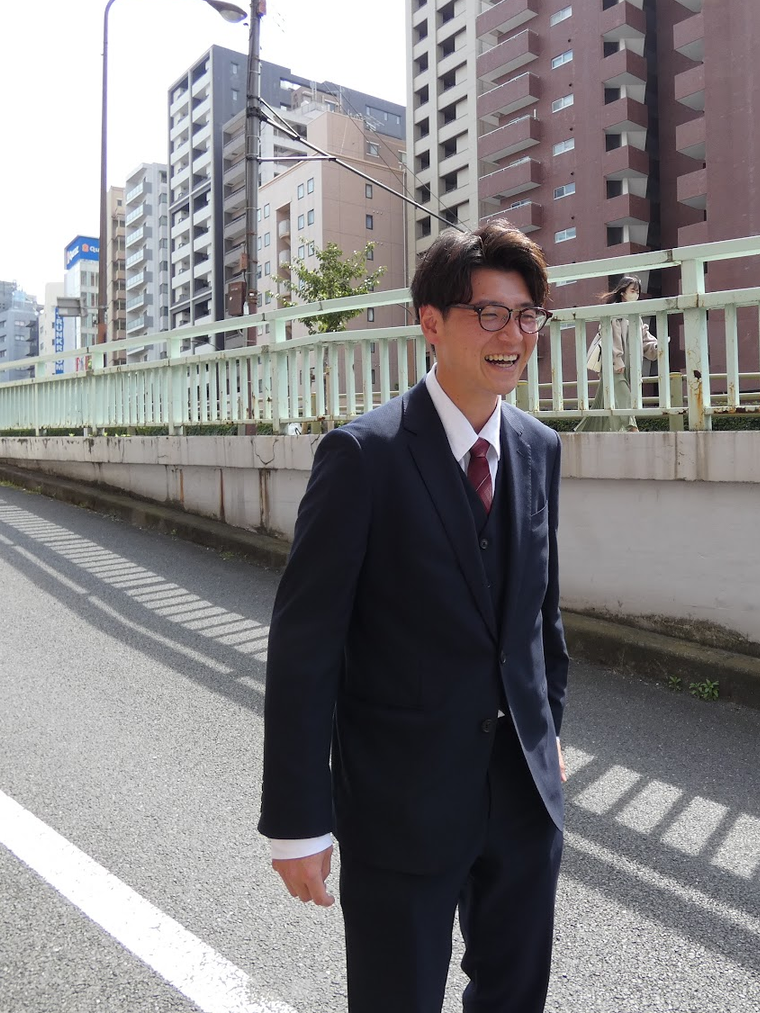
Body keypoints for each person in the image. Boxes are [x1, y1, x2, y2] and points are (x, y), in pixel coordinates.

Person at [260, 219, 570, 1013]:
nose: (513, 336)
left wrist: (548, 734)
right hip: (401, 805)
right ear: (431, 324)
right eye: (490, 314)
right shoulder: (364, 456)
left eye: (527, 315)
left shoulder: (538, 448)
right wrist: (299, 822)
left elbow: (541, 616)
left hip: (521, 802)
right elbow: (305, 647)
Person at [575, 275, 662, 432]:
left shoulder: (636, 316)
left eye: (637, 292)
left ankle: (588, 433)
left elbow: (645, 339)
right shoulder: (613, 313)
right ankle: (631, 427)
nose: (636, 295)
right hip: (613, 363)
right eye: (632, 291)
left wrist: (658, 346)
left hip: (629, 364)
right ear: (622, 292)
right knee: (622, 393)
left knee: (605, 401)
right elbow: (610, 338)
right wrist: (616, 360)